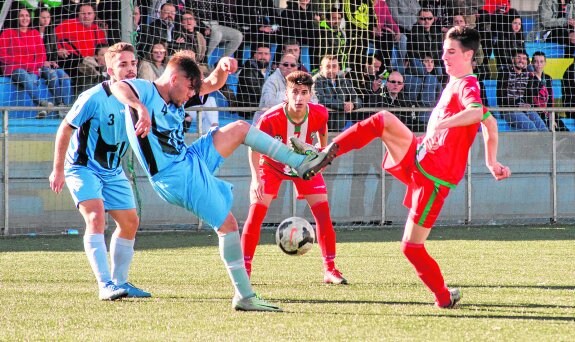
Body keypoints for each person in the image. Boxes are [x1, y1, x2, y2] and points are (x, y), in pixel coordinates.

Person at [294, 26, 511, 308]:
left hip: (434, 178)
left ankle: (444, 297)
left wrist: (445, 123)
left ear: (468, 54)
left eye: (451, 52)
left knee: (410, 247)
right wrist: (490, 160)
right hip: (421, 157)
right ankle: (324, 154)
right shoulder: (455, 81)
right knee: (382, 119)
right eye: (444, 50)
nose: (444, 56)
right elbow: (490, 123)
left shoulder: (467, 84)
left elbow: (475, 113)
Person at [110, 52, 339, 311]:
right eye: (188, 89)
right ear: (174, 79)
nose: (191, 96)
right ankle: (244, 296)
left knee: (240, 128)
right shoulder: (144, 90)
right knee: (228, 225)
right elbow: (117, 86)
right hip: (174, 176)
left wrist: (221, 66)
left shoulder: (181, 91)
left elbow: (214, 83)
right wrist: (140, 108)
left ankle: (299, 161)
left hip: (189, 158)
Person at [49, 42, 151, 301]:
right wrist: (57, 170)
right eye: (123, 64)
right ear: (109, 70)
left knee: (130, 222)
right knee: (96, 218)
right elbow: (65, 128)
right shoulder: (93, 97)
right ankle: (105, 284)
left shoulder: (139, 95)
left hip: (112, 170)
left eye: (133, 63)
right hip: (82, 168)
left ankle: (121, 282)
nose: (130, 69)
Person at [241, 70, 347, 284]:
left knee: (323, 215)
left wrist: (321, 157)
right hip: (272, 165)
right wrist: (255, 178)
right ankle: (244, 270)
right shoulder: (269, 118)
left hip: (304, 166)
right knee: (256, 214)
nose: (299, 97)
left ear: (310, 95)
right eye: (295, 92)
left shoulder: (320, 113)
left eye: (304, 92)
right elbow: (253, 146)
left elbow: (322, 132)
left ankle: (330, 269)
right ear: (286, 94)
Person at [0, 6, 53, 118]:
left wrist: (27, 65)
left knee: (31, 79)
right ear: (16, 18)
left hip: (31, 70)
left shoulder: (34, 33)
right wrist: (24, 64)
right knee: (22, 73)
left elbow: (41, 57)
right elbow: (2, 55)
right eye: (21, 16)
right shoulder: (7, 33)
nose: (25, 18)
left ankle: (40, 108)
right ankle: (42, 103)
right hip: (13, 69)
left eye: (27, 15)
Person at [55, 3, 107, 85]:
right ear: (78, 14)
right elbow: (52, 40)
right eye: (83, 13)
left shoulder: (98, 31)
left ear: (94, 15)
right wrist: (58, 50)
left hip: (93, 61)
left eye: (89, 14)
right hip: (71, 61)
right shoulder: (66, 25)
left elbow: (102, 49)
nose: (86, 16)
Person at [497, 50, 548, 131]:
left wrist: (528, 104)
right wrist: (517, 105)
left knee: (542, 127)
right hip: (509, 110)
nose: (521, 60)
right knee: (531, 127)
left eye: (524, 58)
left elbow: (531, 94)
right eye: (518, 58)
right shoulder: (504, 73)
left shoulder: (527, 74)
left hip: (524, 109)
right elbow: (501, 99)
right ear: (513, 60)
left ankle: (547, 143)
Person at [312, 55, 363, 132]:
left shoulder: (345, 81)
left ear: (339, 69)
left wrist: (353, 105)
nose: (331, 70)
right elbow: (321, 99)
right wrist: (343, 106)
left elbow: (357, 99)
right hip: (321, 128)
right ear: (321, 68)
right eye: (328, 66)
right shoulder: (316, 80)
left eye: (334, 66)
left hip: (341, 127)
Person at [37, 7, 73, 113]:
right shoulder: (33, 32)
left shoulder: (51, 32)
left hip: (50, 64)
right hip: (39, 65)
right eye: (43, 17)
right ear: (37, 18)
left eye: (48, 17)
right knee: (53, 76)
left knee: (65, 78)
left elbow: (53, 51)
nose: (45, 20)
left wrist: (53, 61)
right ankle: (60, 104)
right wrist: (43, 62)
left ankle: (66, 108)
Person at [526, 51, 568, 131]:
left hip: (547, 111)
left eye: (541, 61)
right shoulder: (529, 78)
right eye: (536, 61)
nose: (539, 64)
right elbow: (530, 97)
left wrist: (552, 116)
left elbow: (550, 99)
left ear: (545, 63)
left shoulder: (548, 78)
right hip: (535, 110)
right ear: (532, 63)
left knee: (562, 127)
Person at [235, 42, 272, 117]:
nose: (263, 57)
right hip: (249, 112)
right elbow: (259, 93)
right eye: (260, 53)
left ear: (270, 56)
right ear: (254, 55)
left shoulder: (265, 69)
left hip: (259, 109)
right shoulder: (248, 70)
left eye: (266, 54)